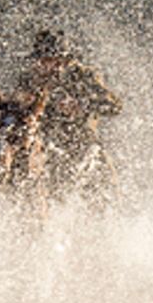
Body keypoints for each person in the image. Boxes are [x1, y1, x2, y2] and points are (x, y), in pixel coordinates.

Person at [12, 29, 121, 195]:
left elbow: (114, 106)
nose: (46, 66)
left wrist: (82, 104)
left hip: (82, 145)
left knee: (107, 184)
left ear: (65, 61)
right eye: (43, 60)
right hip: (44, 147)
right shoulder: (29, 80)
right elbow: (13, 108)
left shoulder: (83, 76)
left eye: (52, 60)